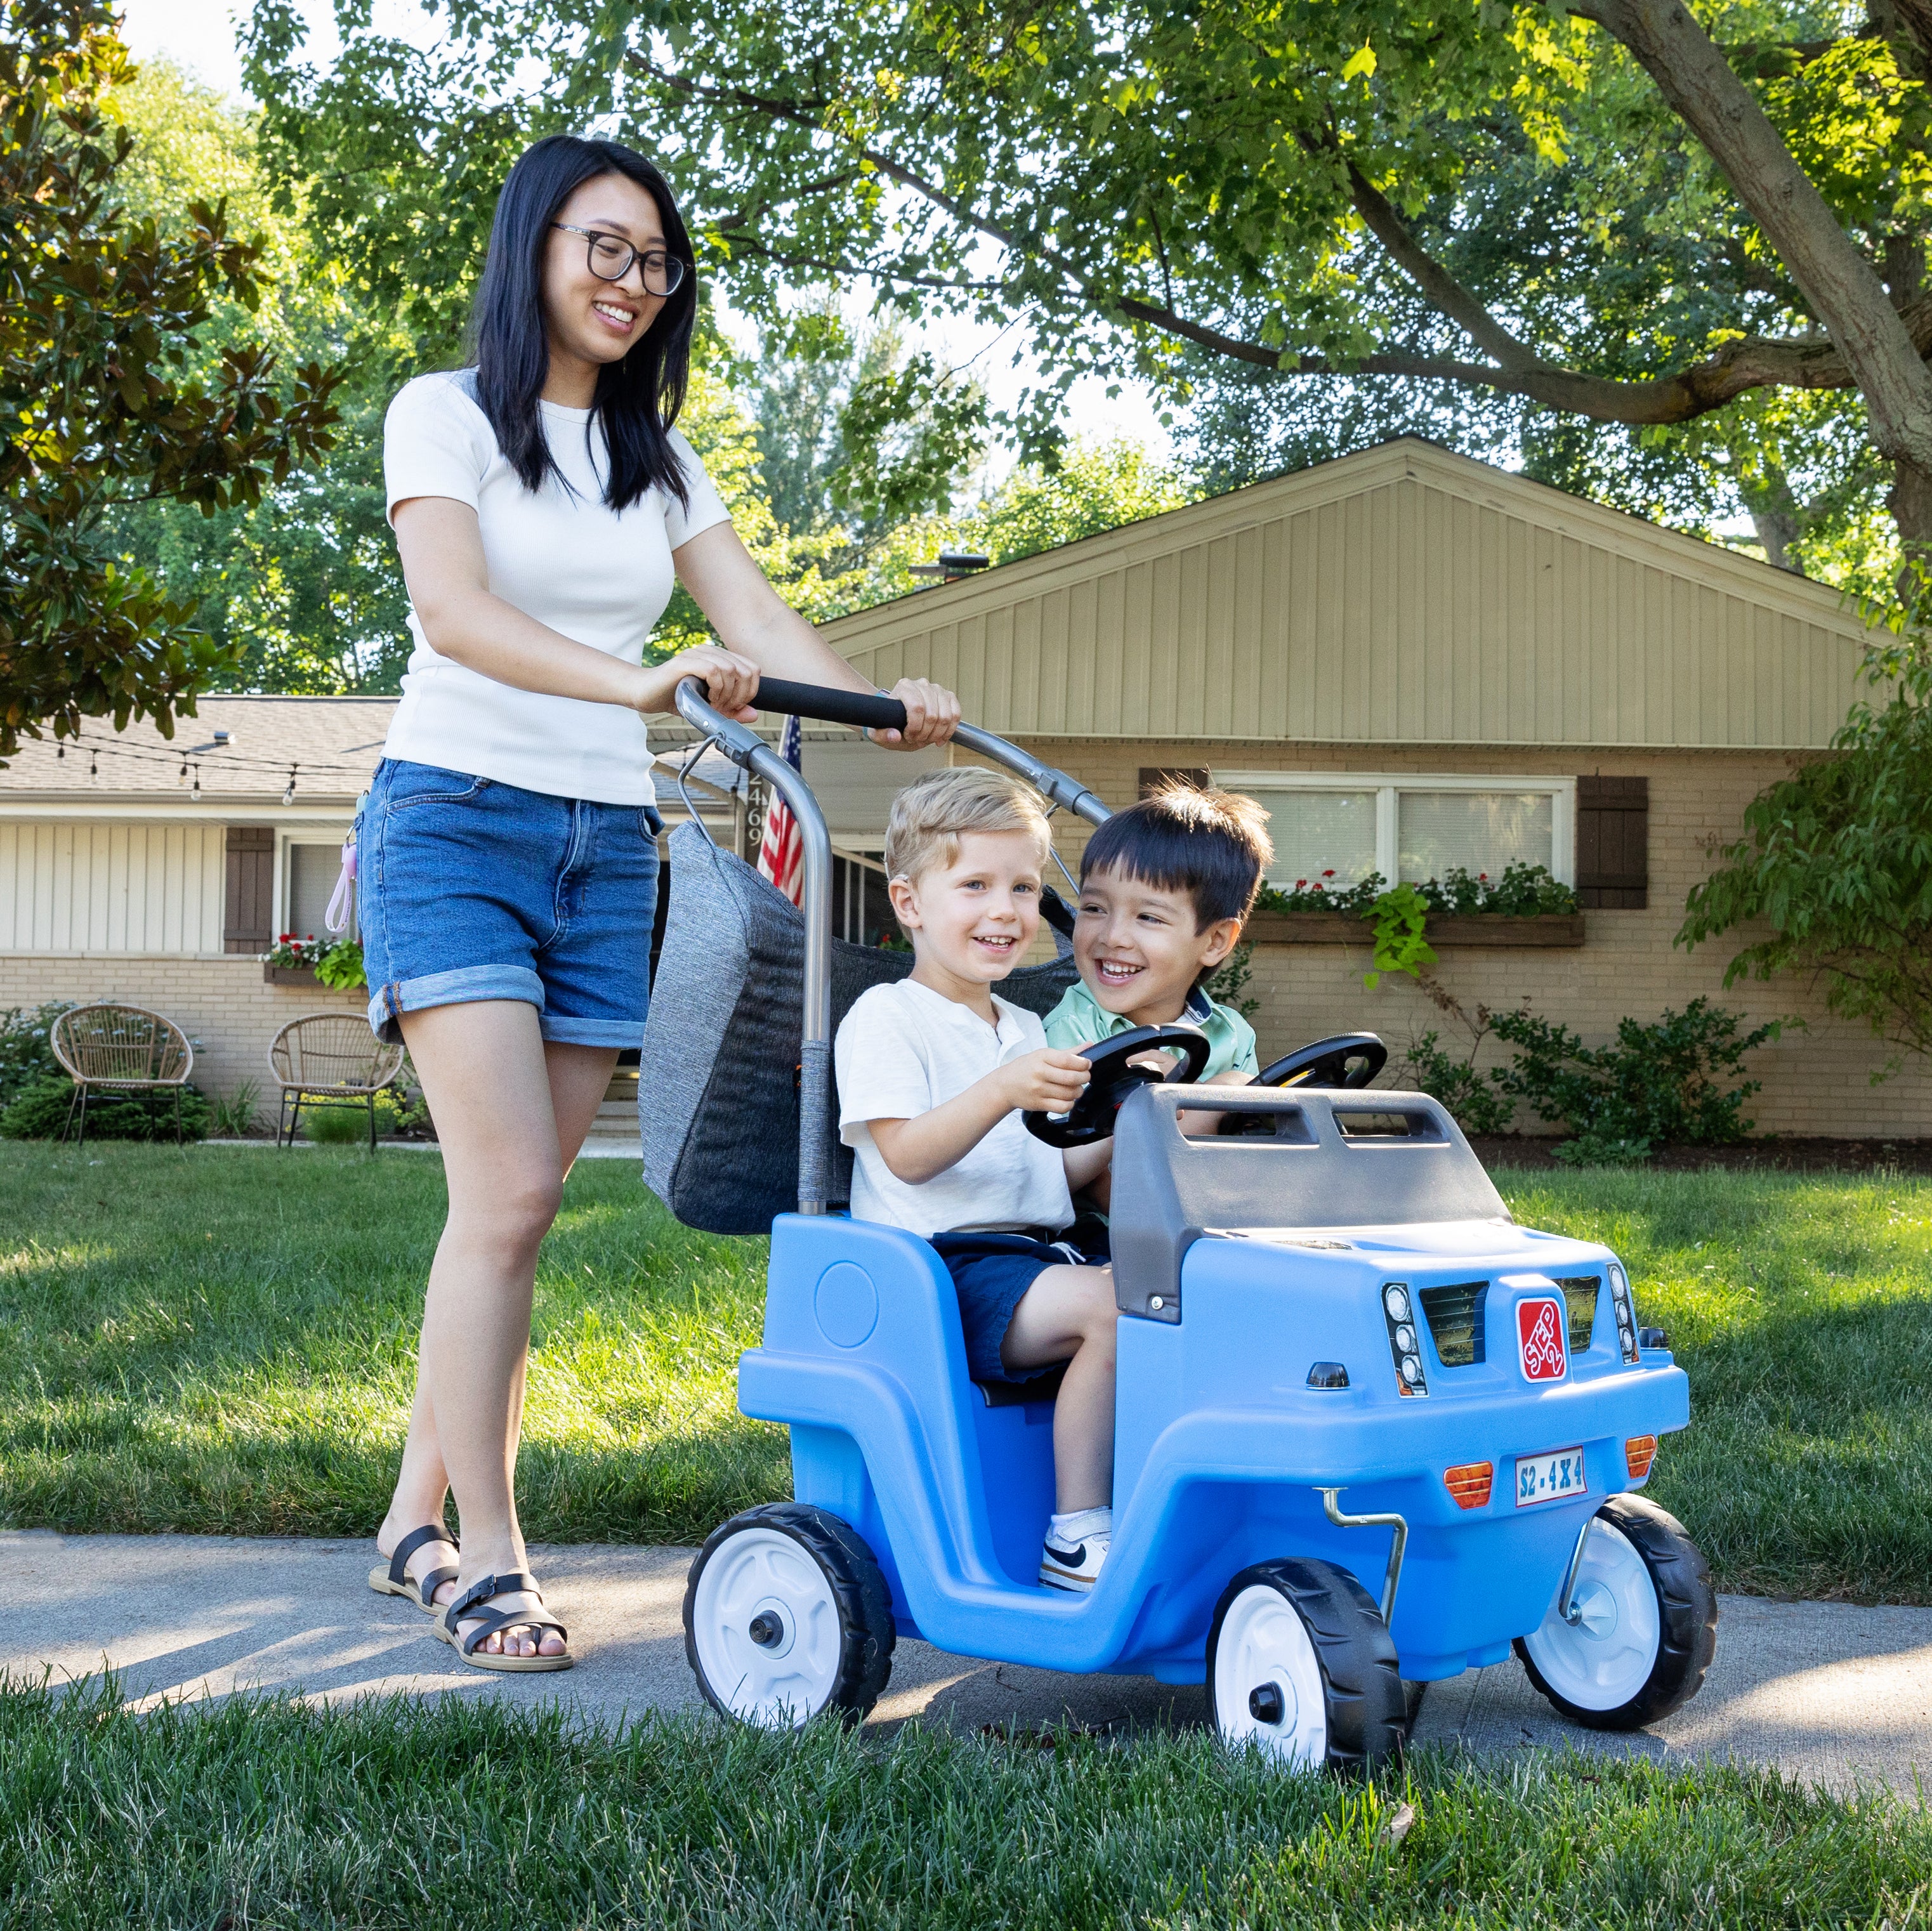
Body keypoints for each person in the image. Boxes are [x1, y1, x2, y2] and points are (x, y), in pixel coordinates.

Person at [360, 133, 958, 1672]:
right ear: (534, 247)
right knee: (505, 1203)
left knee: (514, 1214)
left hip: (603, 847)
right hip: (455, 822)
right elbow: (456, 611)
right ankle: (484, 1558)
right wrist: (640, 679)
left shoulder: (659, 459)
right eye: (604, 248)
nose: (634, 281)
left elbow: (753, 615)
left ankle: (411, 1513)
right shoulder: (446, 416)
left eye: (656, 260)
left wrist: (883, 698)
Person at [834, 769, 1122, 1592]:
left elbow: (1051, 1173)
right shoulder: (888, 1017)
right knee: (1114, 1308)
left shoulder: (1025, 1026)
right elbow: (908, 1155)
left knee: (1178, 1288)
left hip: (1038, 1255)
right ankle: (1074, 1535)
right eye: (975, 886)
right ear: (911, 902)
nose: (1004, 910)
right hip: (942, 1272)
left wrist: (1128, 1127)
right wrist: (1002, 1088)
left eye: (1023, 888)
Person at [1042, 780, 1273, 1080]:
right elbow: (1073, 1129)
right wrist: (1205, 1099)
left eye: (1148, 918)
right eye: (1095, 909)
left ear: (1215, 941)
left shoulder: (1232, 1037)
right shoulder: (1070, 1030)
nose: (1112, 937)